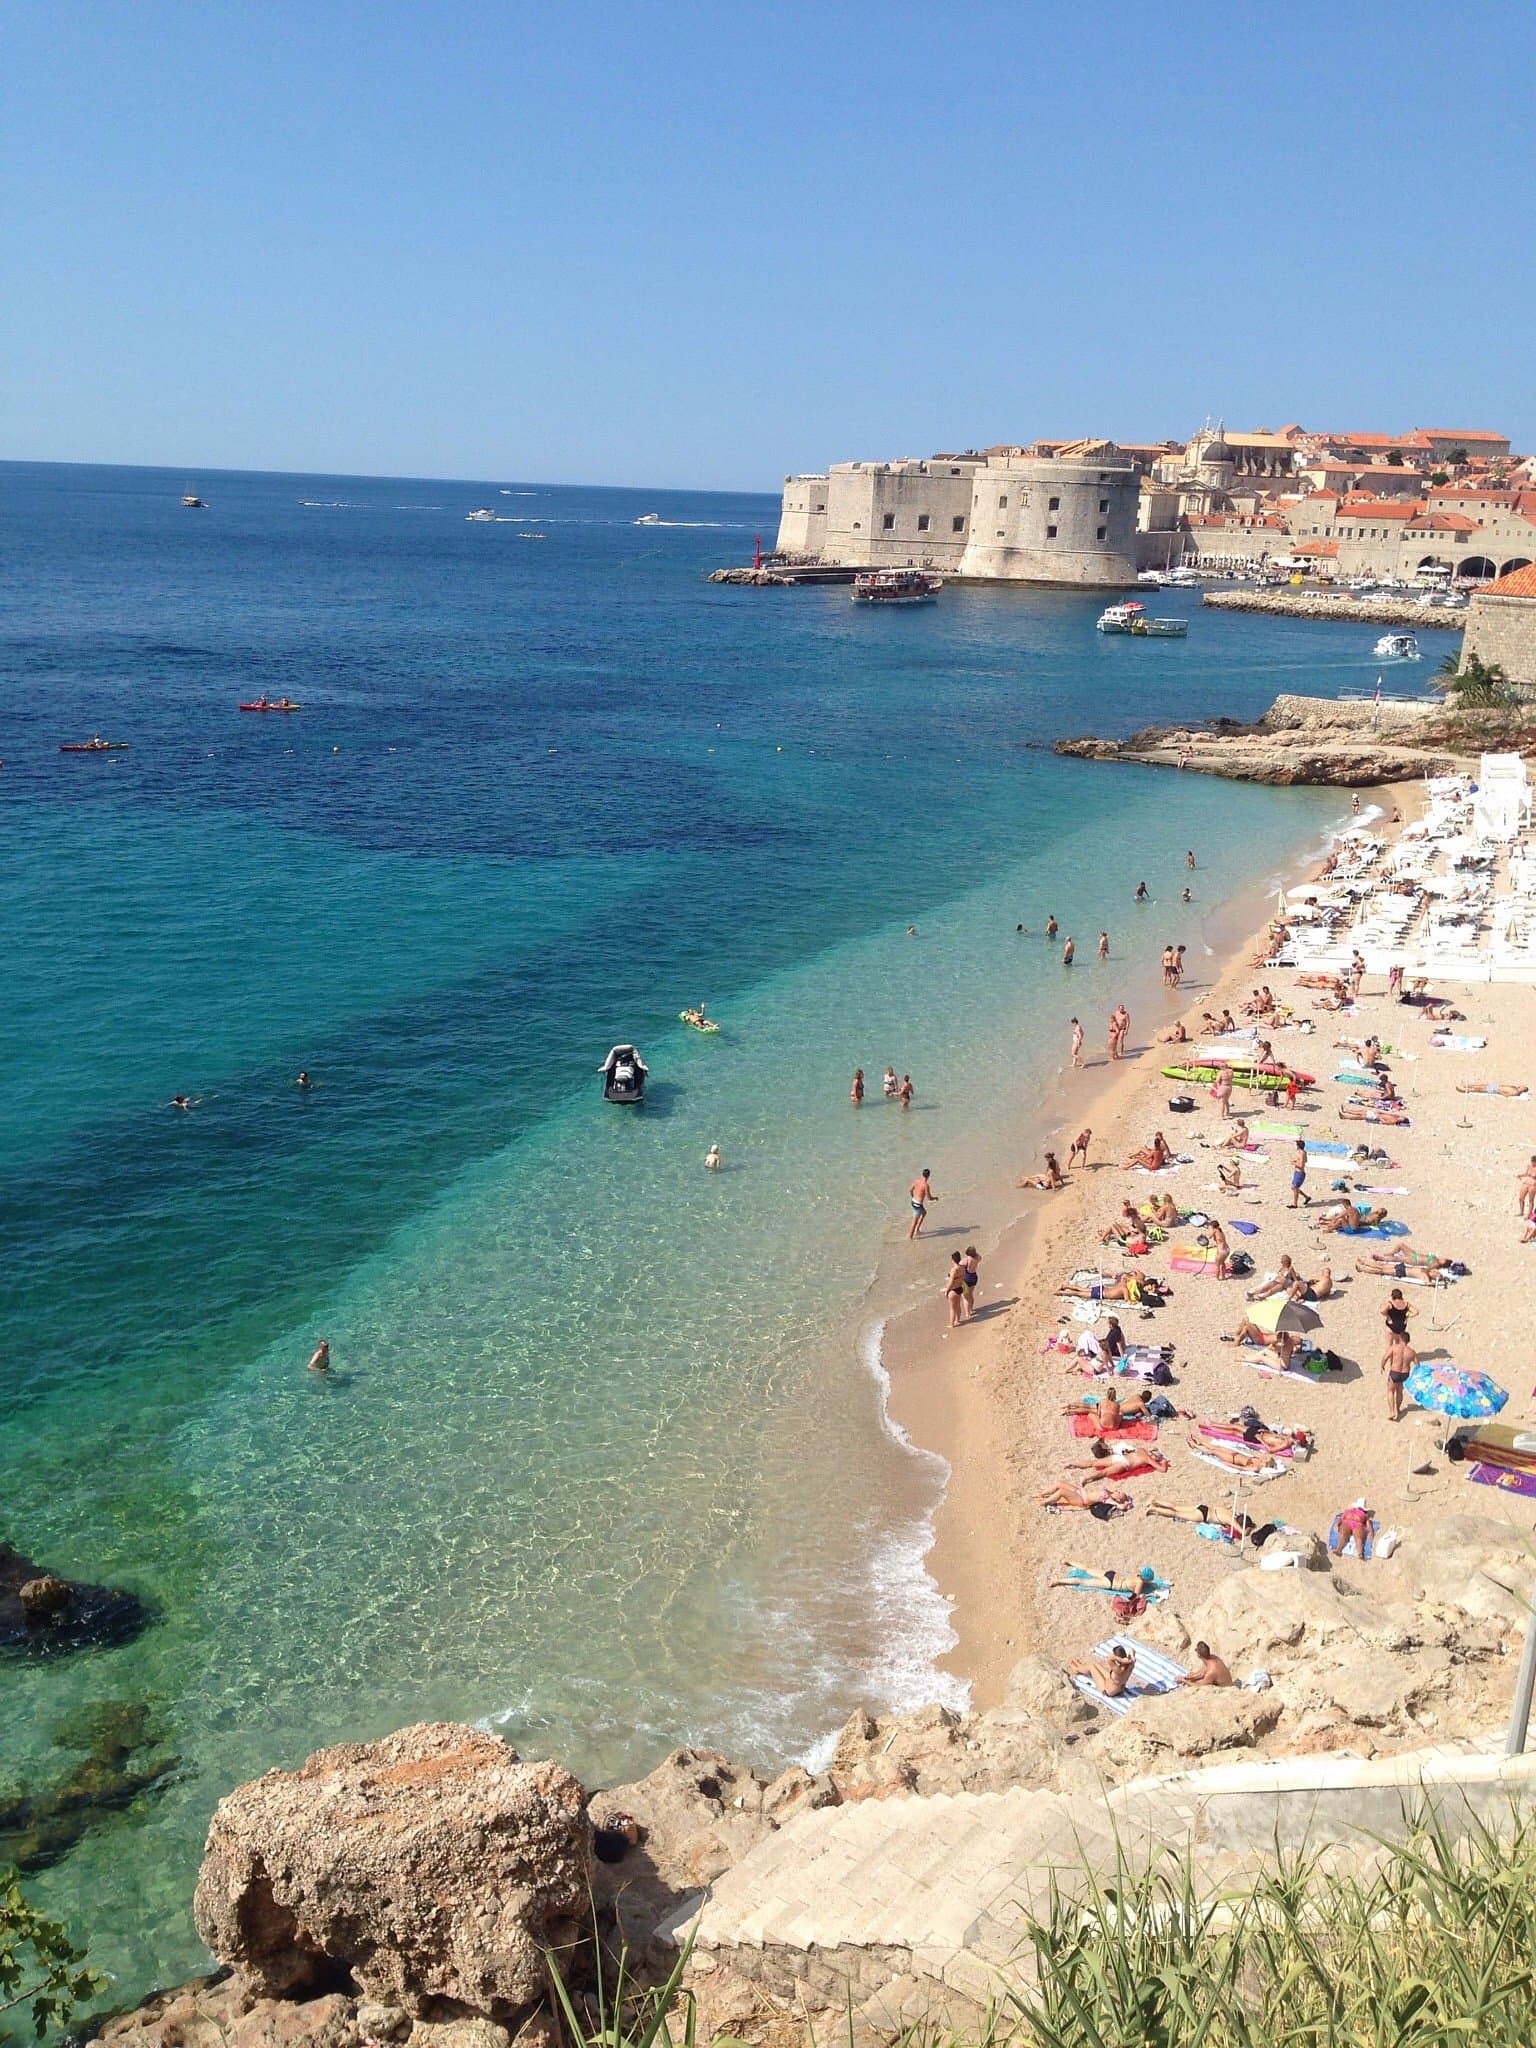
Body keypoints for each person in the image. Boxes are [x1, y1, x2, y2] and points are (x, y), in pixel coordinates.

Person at [1067, 1642, 1136, 1694]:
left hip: (1108, 1690)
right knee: (1095, 1665)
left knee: (1092, 1667)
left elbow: (1109, 1657)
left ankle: (1076, 1669)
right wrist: (1130, 1658)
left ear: (1117, 1657)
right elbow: (1132, 1650)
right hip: (1119, 1687)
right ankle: (1080, 1667)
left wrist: (1120, 1660)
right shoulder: (1130, 1664)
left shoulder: (1118, 1670)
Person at [1041, 1482, 1133, 1519]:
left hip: (1082, 1500)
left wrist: (1126, 1503)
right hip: (1080, 1492)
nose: (1118, 1490)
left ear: (1118, 1499)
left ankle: (1044, 1502)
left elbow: (1122, 1507)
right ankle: (1041, 1494)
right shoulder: (1110, 1492)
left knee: (1061, 1491)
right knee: (1059, 1483)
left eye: (1120, 1493)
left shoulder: (1110, 1500)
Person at [1382, 1327, 1415, 1420]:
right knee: (1400, 1391)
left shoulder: (1394, 1347)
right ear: (1408, 1341)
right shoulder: (1411, 1352)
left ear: (1400, 1338)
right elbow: (1417, 1365)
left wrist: (1382, 1366)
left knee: (1390, 1391)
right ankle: (1398, 1409)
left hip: (1394, 1372)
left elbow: (1385, 1358)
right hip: (1405, 1374)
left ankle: (1391, 1411)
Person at [908, 1168, 934, 1240]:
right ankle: (910, 1238)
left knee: (924, 1213)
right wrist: (935, 1198)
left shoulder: (916, 1181)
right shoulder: (926, 1185)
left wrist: (913, 1196)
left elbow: (910, 1190)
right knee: (914, 1222)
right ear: (928, 1176)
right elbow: (929, 1198)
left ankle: (917, 1230)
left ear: (922, 1174)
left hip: (913, 1201)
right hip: (918, 1204)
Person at [944, 1252, 968, 1328]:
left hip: (953, 1290)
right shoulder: (962, 1267)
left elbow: (951, 1282)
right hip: (960, 1288)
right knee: (958, 1306)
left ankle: (951, 1324)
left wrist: (946, 1291)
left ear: (953, 1260)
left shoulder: (954, 1270)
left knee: (952, 1308)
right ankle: (957, 1320)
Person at [961, 1245, 981, 1316]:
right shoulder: (977, 1258)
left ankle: (967, 1313)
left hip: (966, 1279)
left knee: (965, 1297)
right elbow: (979, 1255)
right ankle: (971, 1309)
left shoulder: (966, 1260)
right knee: (971, 1294)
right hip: (973, 1277)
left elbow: (959, 1264)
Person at [1290, 1139, 1308, 1209]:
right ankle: (1306, 1197)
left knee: (1294, 1187)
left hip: (1300, 1173)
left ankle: (1295, 1204)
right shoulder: (1303, 1152)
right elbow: (1305, 1161)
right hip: (1297, 1172)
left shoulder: (1301, 1153)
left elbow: (1301, 1165)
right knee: (1294, 1188)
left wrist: (1294, 1163)